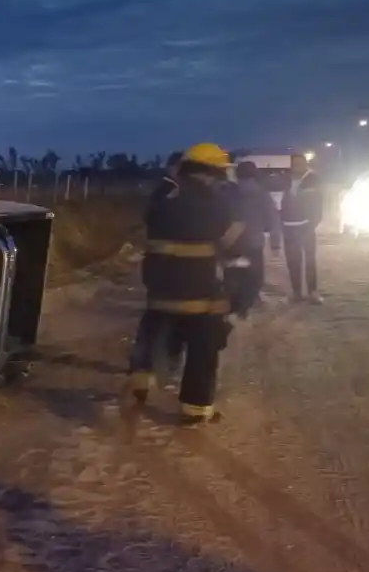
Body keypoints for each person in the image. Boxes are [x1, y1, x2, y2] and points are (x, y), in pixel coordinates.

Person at [128, 142, 244, 426]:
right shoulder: (218, 204)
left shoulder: (162, 197)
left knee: (153, 334)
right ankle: (196, 408)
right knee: (202, 350)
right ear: (211, 173)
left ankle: (139, 381)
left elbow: (143, 235)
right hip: (200, 294)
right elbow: (233, 246)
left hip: (160, 289)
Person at [223, 159, 282, 317]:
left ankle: (232, 307)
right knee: (253, 277)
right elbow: (273, 220)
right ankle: (245, 307)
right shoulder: (262, 194)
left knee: (232, 275)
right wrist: (275, 242)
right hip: (253, 244)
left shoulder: (228, 193)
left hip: (232, 243)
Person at [280, 152, 324, 303]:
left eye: (300, 163)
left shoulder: (313, 179)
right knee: (293, 262)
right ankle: (296, 293)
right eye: (294, 164)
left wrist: (312, 223)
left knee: (310, 261)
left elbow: (319, 204)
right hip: (288, 227)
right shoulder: (285, 179)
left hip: (306, 227)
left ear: (305, 164)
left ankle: (313, 292)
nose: (297, 166)